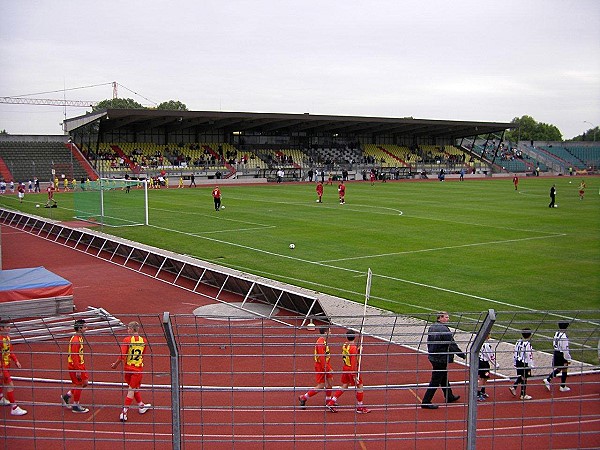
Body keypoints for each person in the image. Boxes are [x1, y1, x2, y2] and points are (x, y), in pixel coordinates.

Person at [421, 311, 466, 409]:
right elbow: (451, 344)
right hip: (441, 357)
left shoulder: (432, 327)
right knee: (436, 380)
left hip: (433, 356)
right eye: (446, 317)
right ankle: (426, 401)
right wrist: (461, 354)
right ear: (440, 318)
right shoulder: (444, 329)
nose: (448, 319)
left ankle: (449, 396)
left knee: (443, 377)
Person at [111, 321, 151, 422]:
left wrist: (115, 364)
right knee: (132, 389)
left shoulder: (127, 340)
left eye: (128, 328)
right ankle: (124, 412)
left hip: (128, 368)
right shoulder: (144, 341)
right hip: (137, 369)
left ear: (133, 329)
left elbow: (122, 355)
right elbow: (142, 354)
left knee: (133, 388)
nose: (127, 330)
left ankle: (141, 405)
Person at [326, 330, 370, 414]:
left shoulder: (345, 345)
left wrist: (358, 351)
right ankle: (360, 406)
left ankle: (331, 402)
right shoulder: (353, 348)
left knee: (344, 386)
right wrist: (354, 374)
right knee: (360, 386)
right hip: (351, 369)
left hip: (345, 367)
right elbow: (354, 361)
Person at [298, 327, 333, 408]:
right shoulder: (320, 343)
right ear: (325, 333)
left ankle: (328, 400)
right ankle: (304, 397)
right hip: (321, 366)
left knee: (330, 382)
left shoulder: (324, 342)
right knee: (321, 385)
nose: (331, 333)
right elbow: (321, 358)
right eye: (330, 331)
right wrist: (327, 368)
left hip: (326, 364)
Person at [62, 319, 90, 413]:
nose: (86, 328)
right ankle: (76, 405)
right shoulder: (75, 340)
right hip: (75, 366)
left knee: (84, 383)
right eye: (85, 327)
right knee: (79, 384)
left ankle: (67, 396)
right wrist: (77, 370)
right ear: (79, 328)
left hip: (80, 364)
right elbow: (74, 356)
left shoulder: (79, 337)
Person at [0, 320, 28, 415]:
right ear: (1, 328)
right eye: (7, 327)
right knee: (10, 385)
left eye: (9, 326)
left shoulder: (7, 338)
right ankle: (14, 407)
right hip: (2, 366)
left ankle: (0, 398)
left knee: (2, 382)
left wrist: (16, 361)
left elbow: (10, 351)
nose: (9, 328)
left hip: (6, 365)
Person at [544, 321, 571, 392]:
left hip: (556, 351)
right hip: (561, 353)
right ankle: (562, 386)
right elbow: (565, 349)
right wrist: (568, 358)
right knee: (564, 368)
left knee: (559, 368)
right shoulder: (564, 337)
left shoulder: (557, 333)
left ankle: (548, 379)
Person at [510, 328, 534, 400]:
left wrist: (514, 361)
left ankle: (514, 387)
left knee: (523, 376)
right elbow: (528, 354)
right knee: (525, 377)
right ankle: (523, 394)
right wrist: (531, 364)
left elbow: (515, 351)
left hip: (518, 360)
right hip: (524, 362)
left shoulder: (518, 342)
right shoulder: (527, 344)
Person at [477, 334, 498, 401]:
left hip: (481, 362)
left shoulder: (481, 342)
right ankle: (478, 394)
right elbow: (490, 355)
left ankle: (482, 391)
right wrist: (495, 364)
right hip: (483, 363)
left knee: (485, 378)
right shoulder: (486, 345)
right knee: (482, 378)